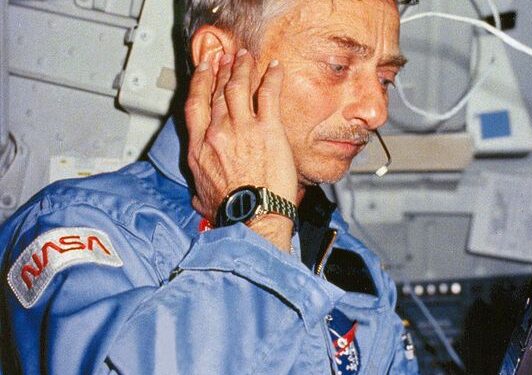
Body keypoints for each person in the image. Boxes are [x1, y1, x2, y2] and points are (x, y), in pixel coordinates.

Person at [0, 0, 418, 373]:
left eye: (385, 79)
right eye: (337, 65)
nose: (376, 110)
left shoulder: (352, 263)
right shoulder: (78, 228)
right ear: (219, 59)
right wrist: (261, 223)